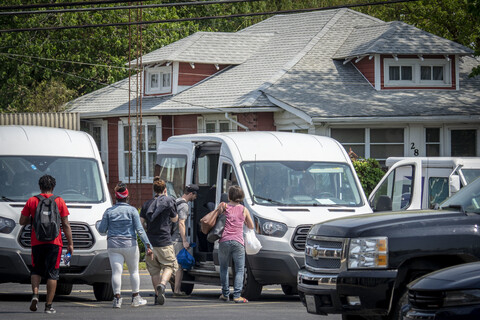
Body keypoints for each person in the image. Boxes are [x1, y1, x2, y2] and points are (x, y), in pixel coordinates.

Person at [19, 174, 74, 314]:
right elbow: (66, 224)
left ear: (40, 186)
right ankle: (49, 306)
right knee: (52, 273)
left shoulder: (32, 201)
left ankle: (35, 295)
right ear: (53, 187)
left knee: (36, 270)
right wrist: (70, 244)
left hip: (37, 241)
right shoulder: (60, 201)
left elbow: (22, 221)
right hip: (55, 242)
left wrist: (33, 217)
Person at [97, 182, 153, 309]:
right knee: (134, 271)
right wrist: (148, 245)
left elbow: (101, 229)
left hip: (113, 244)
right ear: (127, 197)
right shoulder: (132, 210)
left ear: (116, 197)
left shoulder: (109, 211)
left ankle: (117, 299)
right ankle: (135, 297)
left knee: (116, 272)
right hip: (130, 244)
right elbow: (140, 230)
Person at [140, 177, 178, 306]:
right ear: (165, 189)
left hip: (151, 243)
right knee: (169, 266)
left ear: (154, 190)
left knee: (154, 271)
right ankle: (162, 285)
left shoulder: (146, 204)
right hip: (164, 241)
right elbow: (174, 219)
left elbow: (141, 224)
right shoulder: (169, 202)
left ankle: (157, 295)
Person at [218, 185, 254, 303]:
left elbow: (215, 218)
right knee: (239, 269)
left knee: (223, 268)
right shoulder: (244, 209)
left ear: (229, 196)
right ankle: (237, 296)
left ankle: (225, 294)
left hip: (224, 240)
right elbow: (251, 226)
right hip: (238, 241)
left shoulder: (223, 206)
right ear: (241, 196)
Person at [171, 184, 198, 296]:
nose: (196, 198)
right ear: (191, 194)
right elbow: (181, 223)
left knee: (170, 265)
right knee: (179, 267)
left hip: (170, 237)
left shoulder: (176, 201)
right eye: (195, 195)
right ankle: (176, 290)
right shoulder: (184, 206)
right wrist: (184, 240)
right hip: (177, 239)